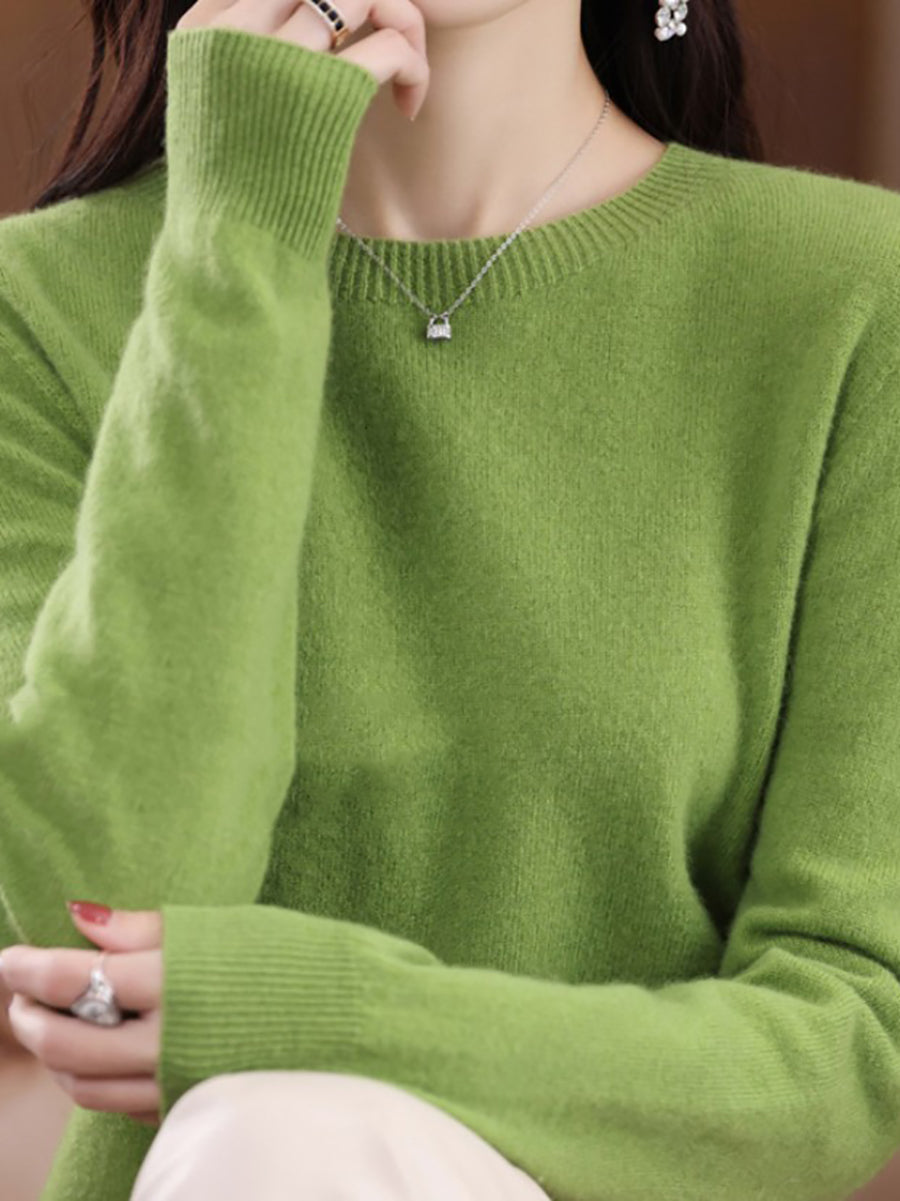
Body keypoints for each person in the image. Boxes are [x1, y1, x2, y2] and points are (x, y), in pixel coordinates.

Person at [1, 1, 899, 1198]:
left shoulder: (854, 297)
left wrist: (337, 1018)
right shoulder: (35, 304)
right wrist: (238, 235)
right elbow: (99, 922)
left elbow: (851, 1045)